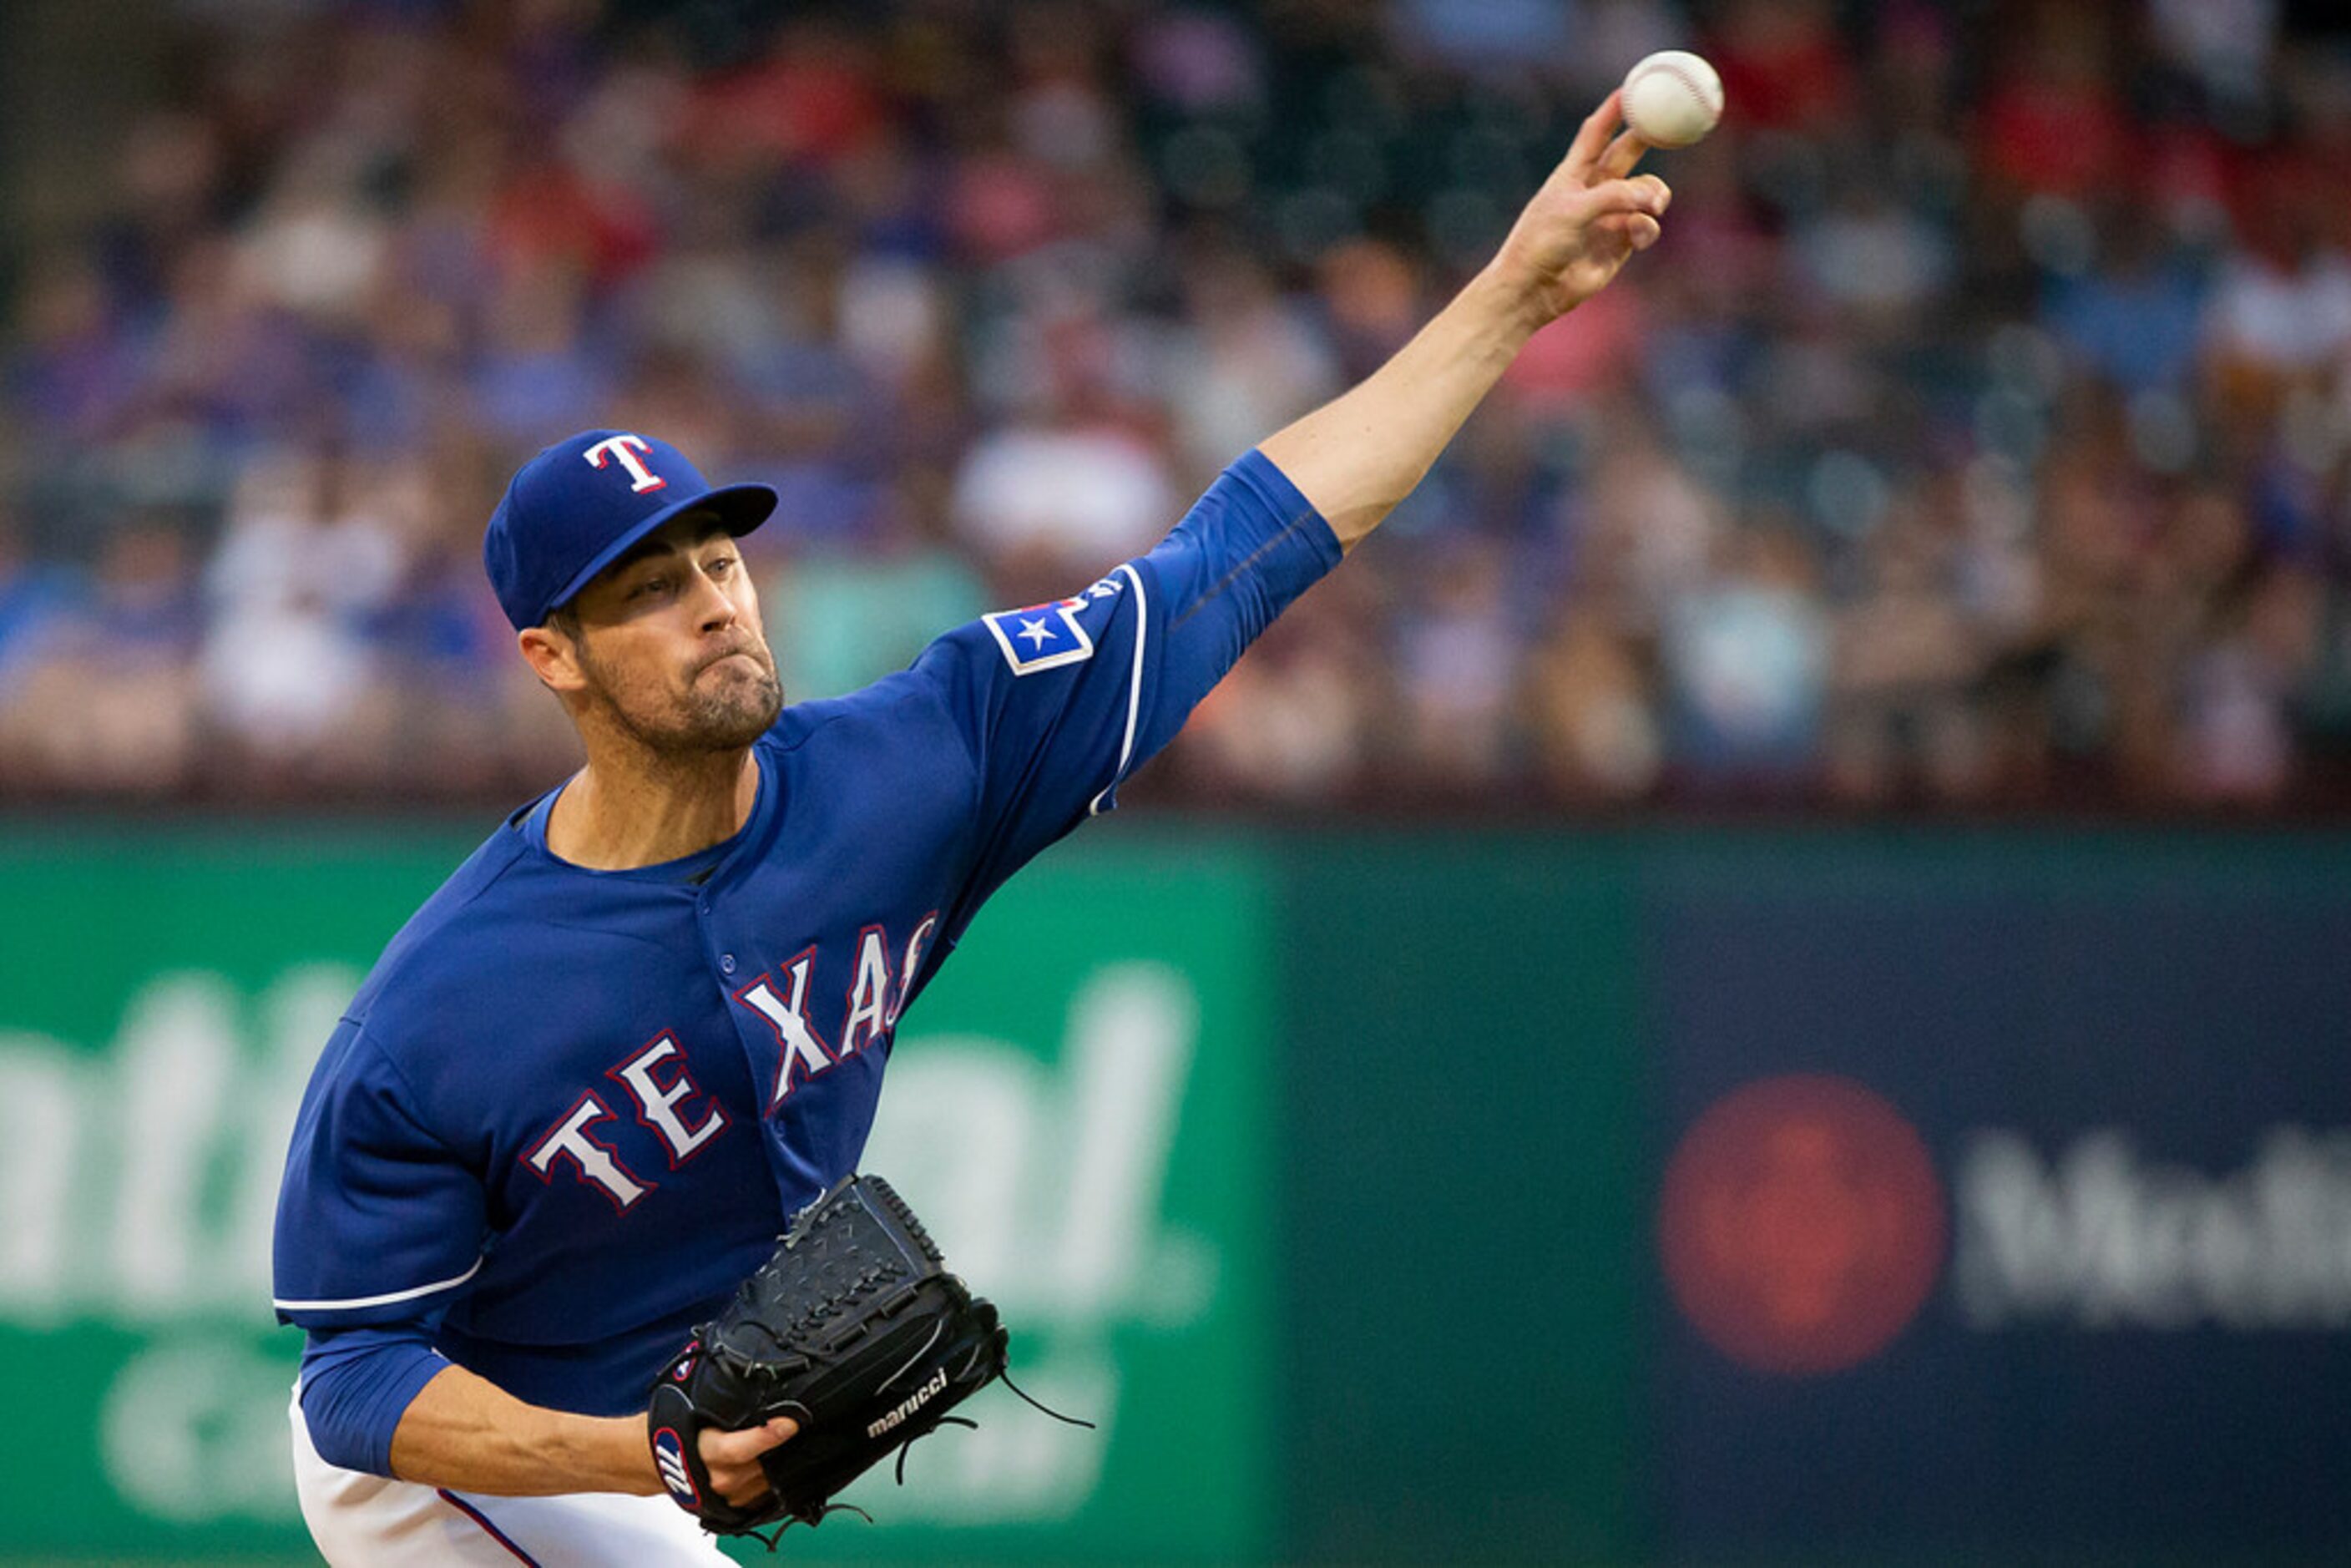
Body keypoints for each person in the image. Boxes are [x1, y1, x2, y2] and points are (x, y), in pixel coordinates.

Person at [270, 92, 1670, 1565]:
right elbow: (355, 1387)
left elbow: (1240, 553)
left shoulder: (920, 759)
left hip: (636, 1447)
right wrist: (646, 1452)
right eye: (646, 589)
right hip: (464, 1463)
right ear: (552, 657)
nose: (712, 600)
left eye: (718, 556)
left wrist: (1511, 296)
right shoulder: (441, 1011)